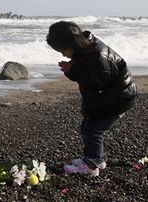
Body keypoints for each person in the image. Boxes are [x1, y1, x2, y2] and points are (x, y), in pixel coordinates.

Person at [46, 21, 137, 176]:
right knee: (89, 126)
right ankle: (97, 159)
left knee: (94, 129)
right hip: (109, 97)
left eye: (62, 50)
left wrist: (72, 69)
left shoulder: (97, 56)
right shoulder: (85, 49)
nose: (62, 54)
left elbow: (96, 83)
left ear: (71, 44)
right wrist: (74, 67)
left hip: (119, 98)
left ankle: (91, 165)